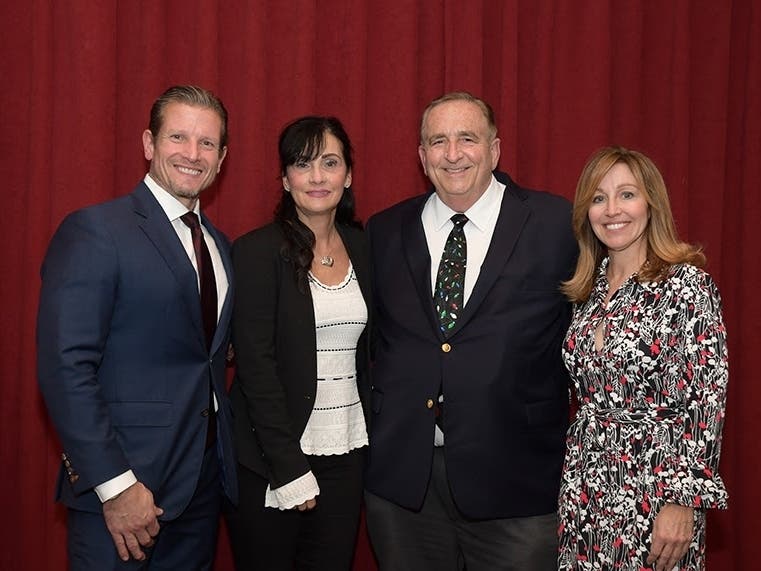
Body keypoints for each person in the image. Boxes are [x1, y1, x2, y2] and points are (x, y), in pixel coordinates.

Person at [363, 91, 578, 570]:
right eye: (438, 141)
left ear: (495, 149)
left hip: (517, 484)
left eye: (467, 138)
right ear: (421, 157)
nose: (453, 154)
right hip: (405, 489)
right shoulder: (384, 231)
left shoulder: (557, 224)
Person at [36, 85, 237, 570]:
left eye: (207, 143)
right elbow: (66, 369)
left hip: (200, 490)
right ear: (149, 143)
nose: (192, 154)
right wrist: (117, 486)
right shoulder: (96, 231)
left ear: (223, 157)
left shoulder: (219, 244)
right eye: (178, 137)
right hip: (123, 496)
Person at [558, 146, 729, 571]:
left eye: (627, 195)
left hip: (655, 493)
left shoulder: (687, 286)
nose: (612, 210)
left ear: (652, 204)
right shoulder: (588, 292)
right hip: (586, 487)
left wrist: (683, 500)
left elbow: (706, 403)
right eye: (598, 198)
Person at [226, 116, 371, 570]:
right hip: (274, 456)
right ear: (285, 179)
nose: (316, 177)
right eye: (302, 164)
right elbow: (255, 366)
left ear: (347, 175)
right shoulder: (256, 252)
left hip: (348, 451)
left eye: (330, 163)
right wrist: (288, 466)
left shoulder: (366, 247)